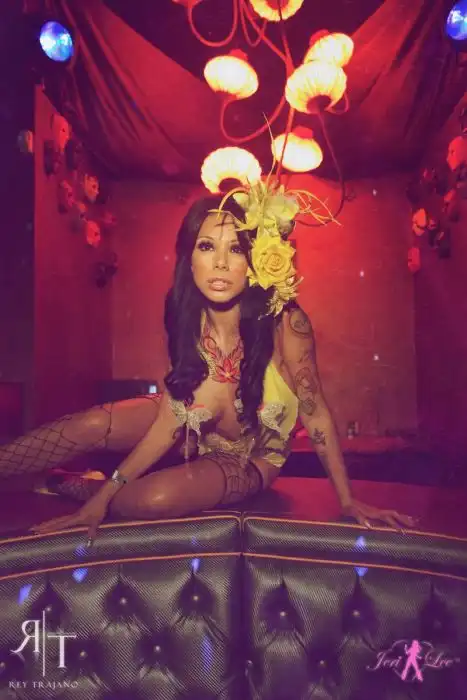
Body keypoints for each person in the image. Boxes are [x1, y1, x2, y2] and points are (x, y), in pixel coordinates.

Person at [0, 188, 414, 544]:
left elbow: (315, 411)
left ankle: (65, 483)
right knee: (92, 424)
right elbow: (169, 424)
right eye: (206, 246)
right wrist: (108, 494)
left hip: (250, 457)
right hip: (190, 428)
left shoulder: (285, 322)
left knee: (151, 499)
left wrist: (347, 500)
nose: (220, 263)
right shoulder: (186, 317)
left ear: (254, 260)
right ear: (189, 258)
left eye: (235, 249)